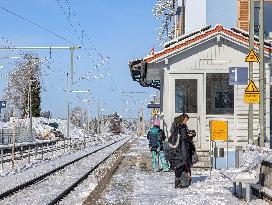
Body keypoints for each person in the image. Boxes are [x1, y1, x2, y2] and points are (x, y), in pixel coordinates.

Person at [168, 113, 195, 188]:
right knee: (184, 165)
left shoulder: (177, 126)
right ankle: (183, 182)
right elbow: (184, 138)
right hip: (183, 149)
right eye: (186, 120)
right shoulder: (182, 127)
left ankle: (178, 182)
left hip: (178, 150)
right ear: (183, 119)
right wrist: (191, 135)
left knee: (179, 166)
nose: (186, 121)